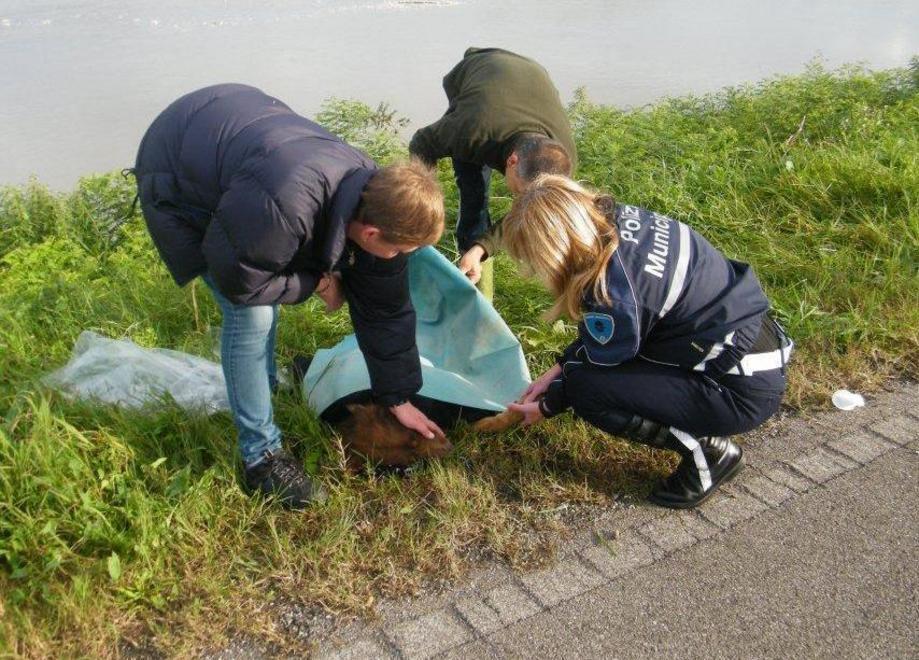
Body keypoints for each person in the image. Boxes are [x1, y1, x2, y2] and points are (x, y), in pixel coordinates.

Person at [134, 84, 446, 509]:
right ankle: (260, 456)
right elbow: (240, 280)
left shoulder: (377, 199)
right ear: (371, 234)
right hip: (176, 167)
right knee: (253, 315)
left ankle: (259, 390)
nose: (397, 259)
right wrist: (317, 281)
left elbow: (386, 309)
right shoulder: (286, 201)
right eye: (397, 251)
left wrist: (397, 397)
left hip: (237, 138)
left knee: (271, 270)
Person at [503, 176, 792, 509]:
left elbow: (603, 365)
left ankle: (709, 453)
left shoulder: (614, 293)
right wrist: (558, 367)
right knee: (579, 373)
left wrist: (549, 404)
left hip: (739, 390)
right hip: (759, 343)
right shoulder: (619, 218)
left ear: (556, 251)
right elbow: (613, 338)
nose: (534, 271)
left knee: (586, 389)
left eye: (533, 261)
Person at [409, 47, 577, 291]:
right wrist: (424, 205)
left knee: (490, 232)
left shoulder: (562, 162)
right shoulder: (471, 131)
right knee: (473, 188)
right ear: (511, 161)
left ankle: (474, 256)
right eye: (522, 194)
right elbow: (421, 142)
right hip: (475, 72)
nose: (522, 201)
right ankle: (468, 257)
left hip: (532, 74)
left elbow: (525, 213)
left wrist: (483, 247)